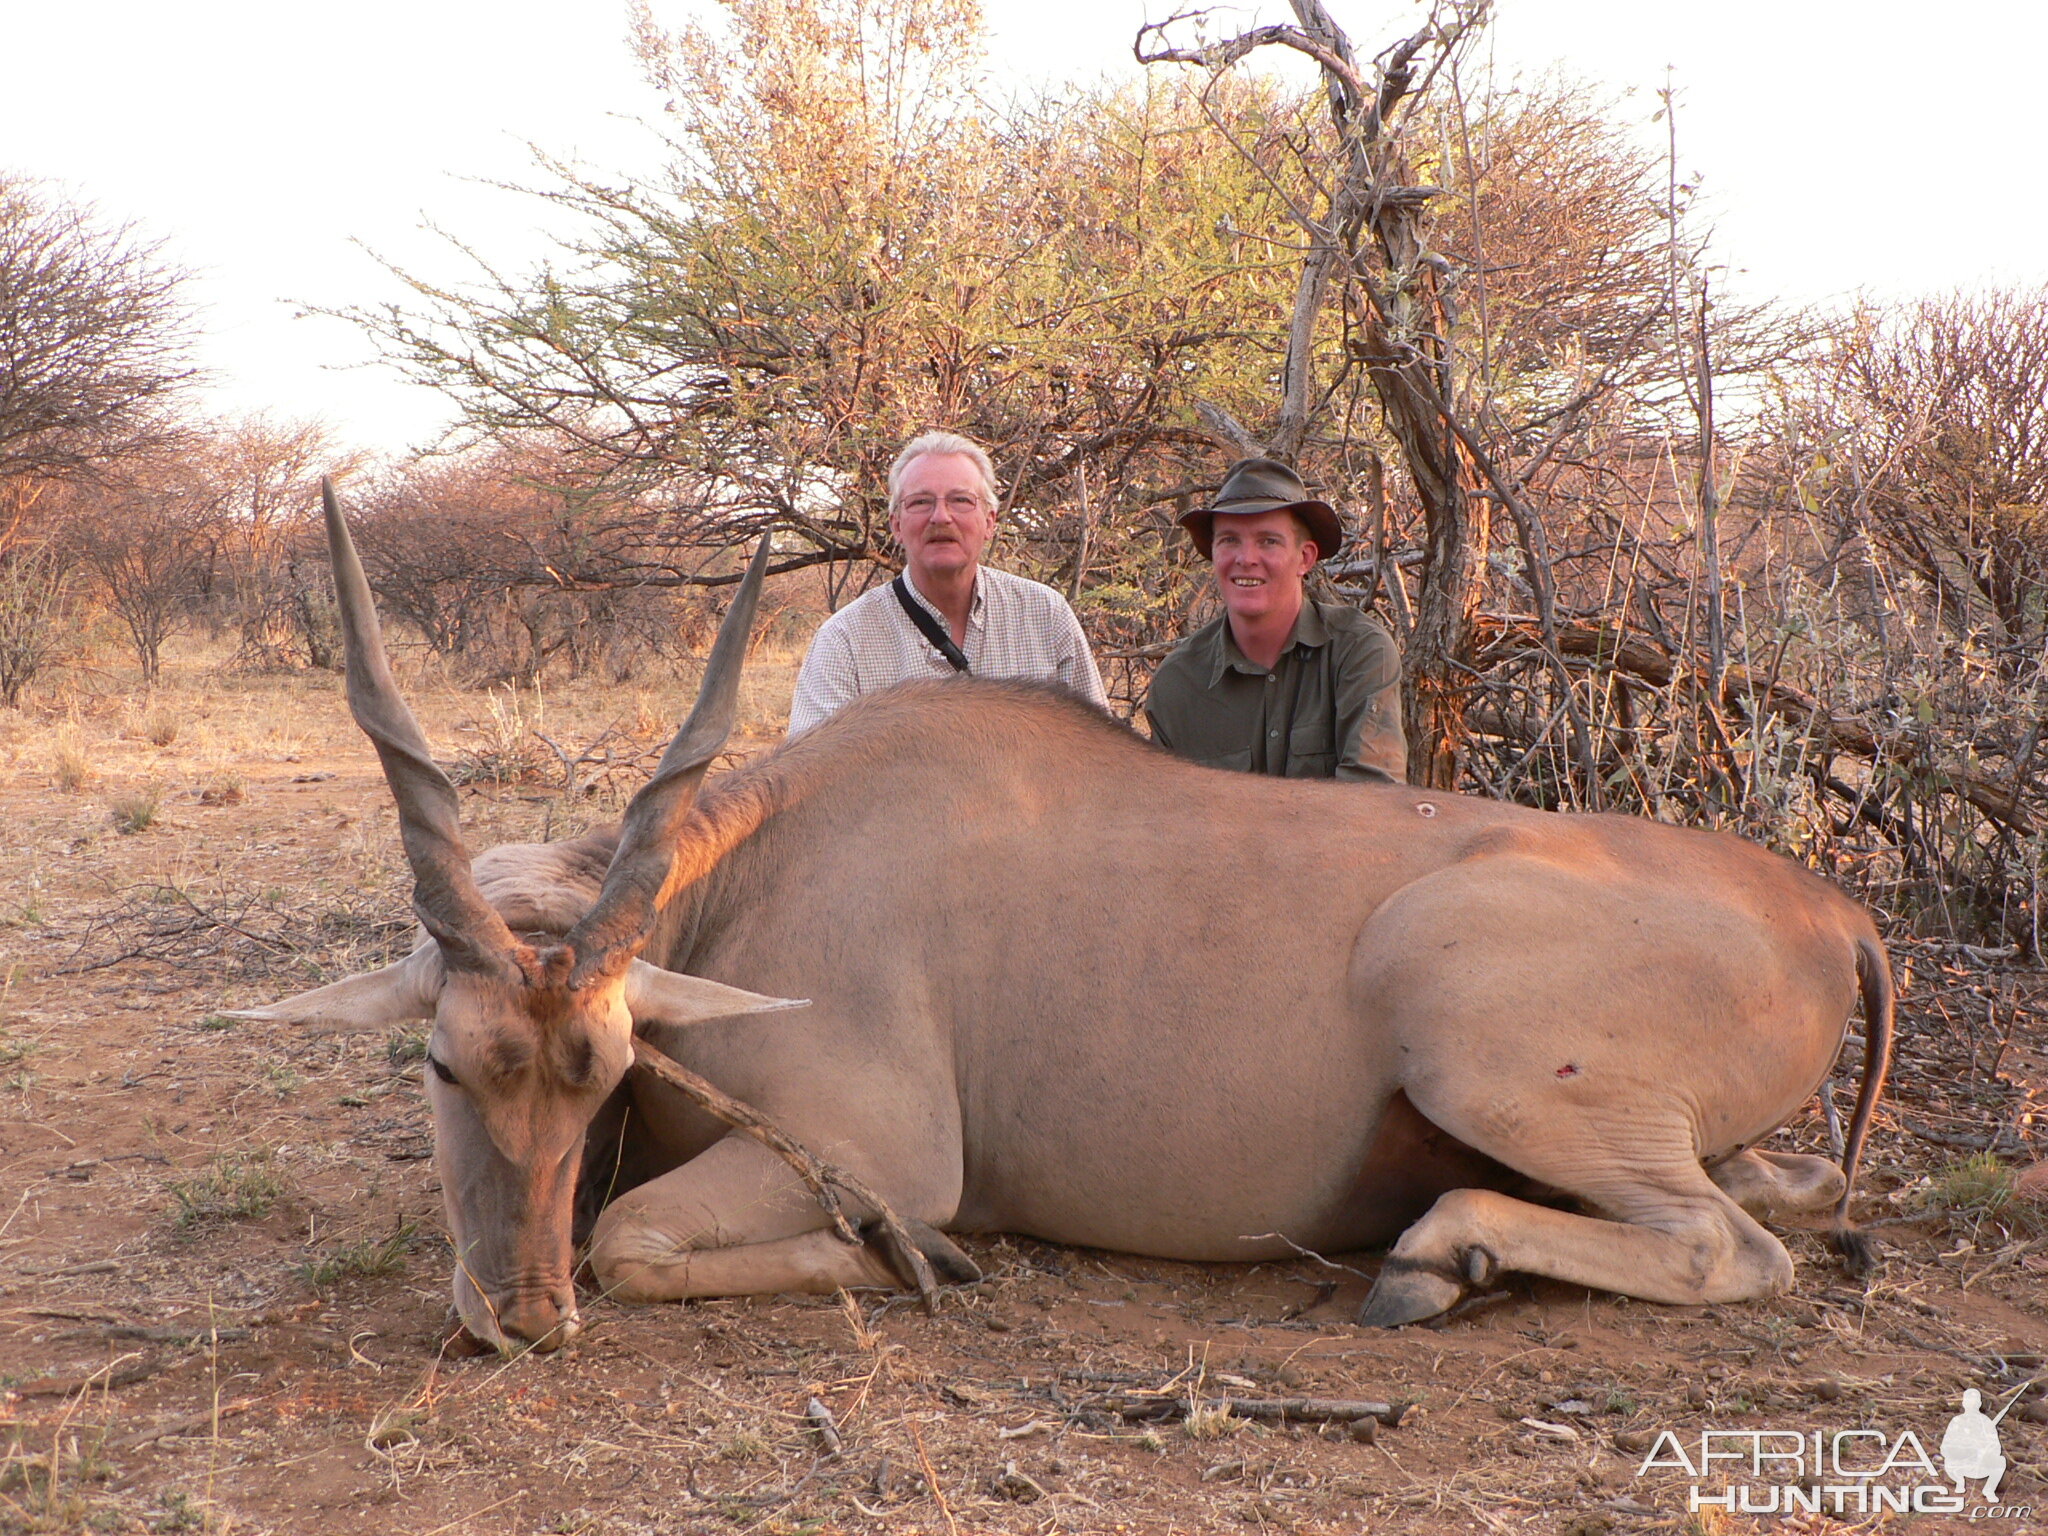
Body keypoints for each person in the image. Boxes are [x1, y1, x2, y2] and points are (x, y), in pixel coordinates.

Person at [788, 431, 1107, 736]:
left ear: (990, 522)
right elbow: (808, 782)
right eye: (920, 502)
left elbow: (1101, 752)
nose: (940, 517)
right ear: (896, 525)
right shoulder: (844, 641)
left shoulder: (1046, 615)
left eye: (961, 500)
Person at [1144, 457, 1405, 783]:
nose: (1246, 559)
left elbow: (1371, 808)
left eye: (1268, 541)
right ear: (1213, 554)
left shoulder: (1357, 652)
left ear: (1305, 558)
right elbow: (1164, 817)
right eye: (1229, 540)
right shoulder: (1178, 684)